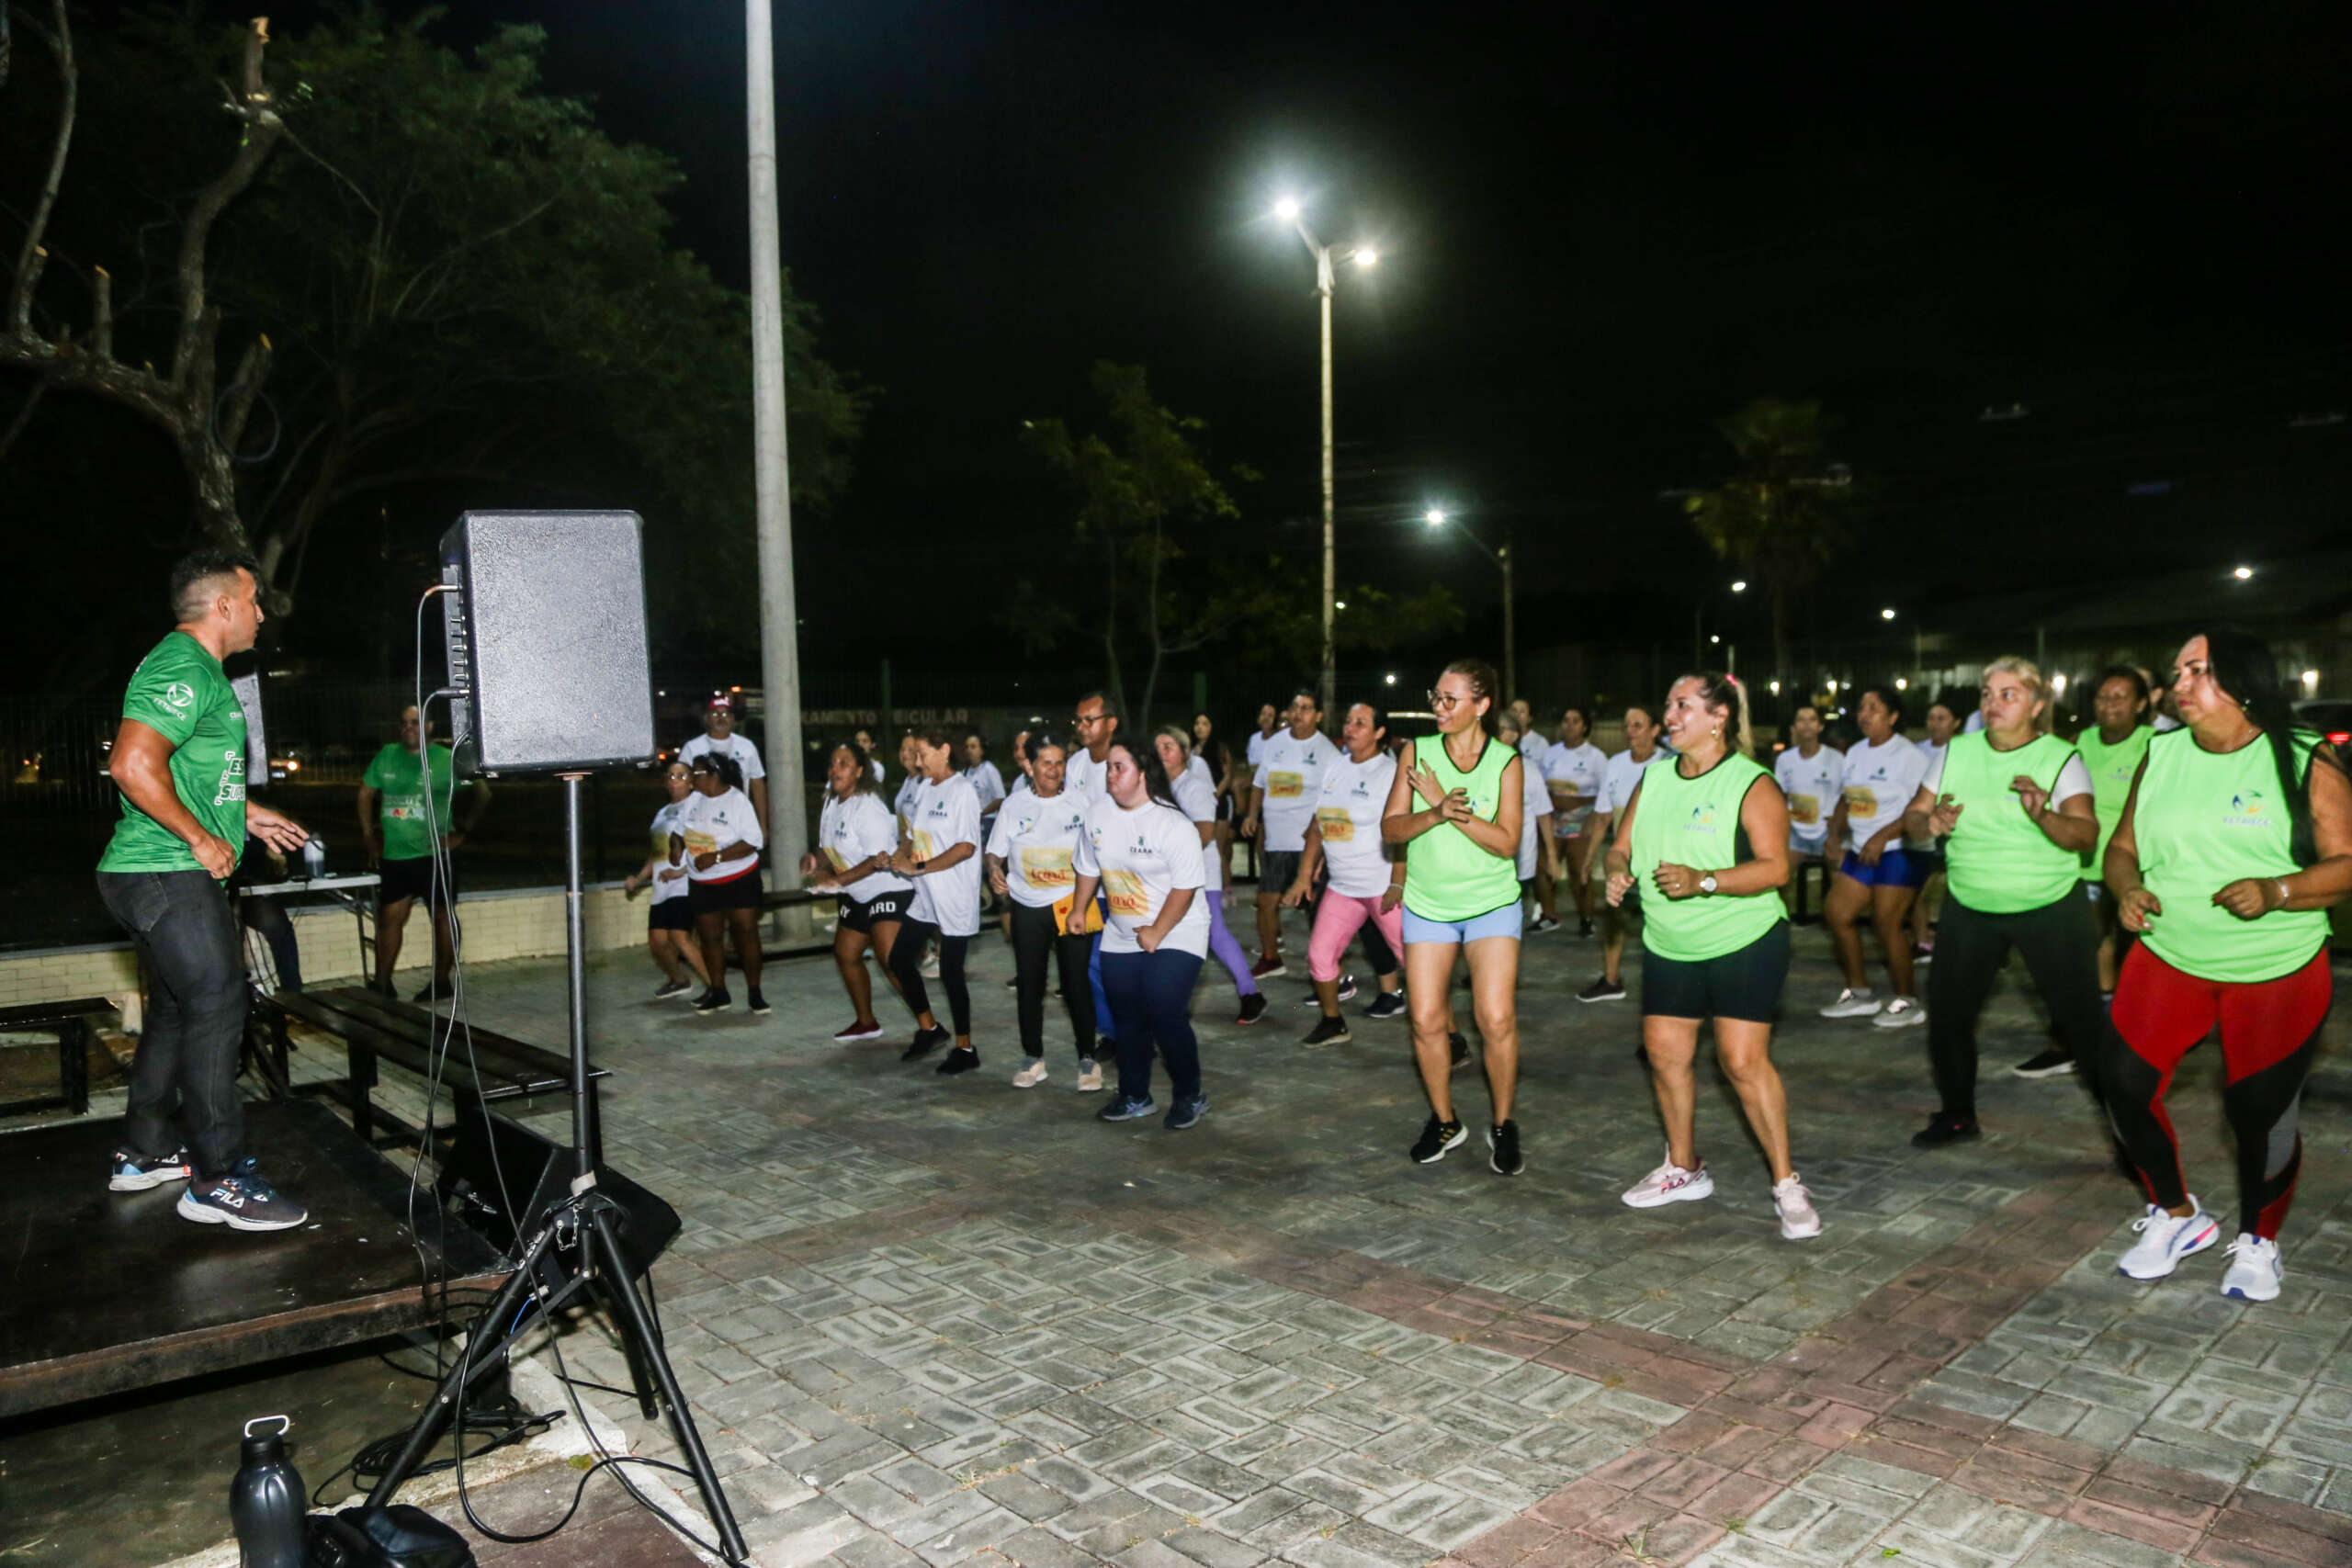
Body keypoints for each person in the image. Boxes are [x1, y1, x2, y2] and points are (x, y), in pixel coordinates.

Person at [2101, 631, 2352, 1302]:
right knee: (2123, 1085)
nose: (2178, 683)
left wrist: (2279, 891)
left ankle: (2259, 1240)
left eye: (2197, 671)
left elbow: (2347, 863)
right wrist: (2126, 888)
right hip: (2169, 952)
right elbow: (2121, 847)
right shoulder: (2161, 752)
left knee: (2257, 1111)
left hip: (2275, 964)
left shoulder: (2305, 758)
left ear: (2240, 681)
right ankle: (2178, 1215)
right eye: (2176, 669)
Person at [99, 547, 311, 1229]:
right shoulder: (183, 665)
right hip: (165, 866)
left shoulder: (196, 671)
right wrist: (199, 836)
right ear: (223, 605)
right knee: (220, 1000)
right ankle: (217, 1178)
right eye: (253, 600)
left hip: (150, 868)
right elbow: (132, 764)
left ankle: (143, 1151)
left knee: (174, 1011)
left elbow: (180, 769)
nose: (260, 612)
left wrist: (244, 814)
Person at [1605, 671, 1820, 1240]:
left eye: (1683, 706)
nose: (1669, 716)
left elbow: (1777, 868)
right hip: (1669, 942)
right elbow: (1621, 844)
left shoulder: (1751, 784)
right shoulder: (1652, 778)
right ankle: (1684, 1167)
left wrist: (1704, 880)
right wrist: (1615, 872)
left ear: (1719, 716)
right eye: (1669, 705)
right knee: (1666, 1054)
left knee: (1742, 1062)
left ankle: (1786, 1182)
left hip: (1744, 940)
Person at [1899, 657, 2099, 1145]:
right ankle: (1958, 1114)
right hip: (1971, 906)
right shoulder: (1954, 752)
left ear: (2036, 704)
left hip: (2049, 905)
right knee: (1948, 1018)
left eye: (2008, 694)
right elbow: (1913, 820)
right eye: (1987, 694)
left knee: (2083, 1026)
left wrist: (2044, 816)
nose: (1993, 703)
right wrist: (1931, 824)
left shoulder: (2060, 757)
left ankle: (2128, 1129)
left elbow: (2086, 835)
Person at [1383, 659, 1527, 1175]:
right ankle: (1445, 1120)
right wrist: (1434, 812)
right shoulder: (1416, 751)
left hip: (1491, 904)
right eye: (1436, 697)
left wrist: (1448, 803)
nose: (1438, 708)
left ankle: (1504, 1124)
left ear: (1481, 705)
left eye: (1450, 699)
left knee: (1495, 1018)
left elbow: (1507, 843)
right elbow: (1392, 829)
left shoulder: (1507, 761)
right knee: (1424, 1020)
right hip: (1429, 905)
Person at [1070, 738, 1213, 1129]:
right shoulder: (1098, 814)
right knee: (1127, 1016)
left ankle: (1190, 1094)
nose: (1111, 775)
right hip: (1122, 931)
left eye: (1120, 767)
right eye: (1110, 768)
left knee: (1164, 1006)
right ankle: (1135, 1095)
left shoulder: (1172, 823)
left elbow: (1185, 888)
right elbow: (1087, 866)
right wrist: (1079, 909)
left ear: (1144, 773)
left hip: (1179, 929)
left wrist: (1157, 931)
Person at [987, 734, 1103, 1089]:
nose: (1054, 770)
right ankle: (1033, 1058)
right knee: (1029, 983)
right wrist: (993, 870)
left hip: (1071, 905)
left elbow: (1097, 855)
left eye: (1060, 762)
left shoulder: (1082, 803)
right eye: (1046, 762)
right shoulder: (1013, 805)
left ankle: (1088, 1060)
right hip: (1027, 907)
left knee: (1075, 984)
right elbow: (994, 852)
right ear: (1029, 766)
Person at [1290, 703, 1407, 1046]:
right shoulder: (1335, 768)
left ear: (1379, 732)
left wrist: (1399, 881)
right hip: (1342, 887)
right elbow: (1317, 826)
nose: (1351, 727)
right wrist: (1304, 874)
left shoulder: (1389, 774)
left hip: (1382, 888)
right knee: (1320, 956)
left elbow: (1402, 832)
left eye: (1361, 722)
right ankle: (1332, 1022)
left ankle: (1449, 1035)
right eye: (1348, 721)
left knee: (1417, 963)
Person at [360, 704, 491, 1002]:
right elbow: (365, 793)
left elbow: (484, 793)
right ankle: (382, 983)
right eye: (404, 723)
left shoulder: (446, 760)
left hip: (435, 856)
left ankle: (441, 982)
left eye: (415, 722)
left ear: (429, 727)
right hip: (396, 856)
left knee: (442, 917)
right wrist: (369, 835)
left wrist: (464, 831)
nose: (408, 728)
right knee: (390, 918)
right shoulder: (387, 755)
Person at [1819, 687, 1928, 1025]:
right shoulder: (1854, 752)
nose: (1864, 714)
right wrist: (1834, 835)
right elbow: (1845, 798)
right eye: (1862, 708)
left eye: (1874, 708)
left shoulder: (1909, 756)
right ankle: (1860, 993)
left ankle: (1909, 1001)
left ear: (1893, 716)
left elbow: (1919, 809)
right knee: (1837, 914)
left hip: (1900, 850)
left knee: (1886, 923)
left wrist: (1883, 836)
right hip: (1861, 848)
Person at [1159, 726, 1269, 1025]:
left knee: (1213, 933)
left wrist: (1162, 853)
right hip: (1170, 875)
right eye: (1158, 747)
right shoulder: (1157, 788)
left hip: (1200, 873)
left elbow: (1205, 833)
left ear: (1184, 753)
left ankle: (1250, 994)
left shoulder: (1193, 787)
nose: (1162, 753)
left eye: (1169, 746)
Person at [889, 728, 985, 1073]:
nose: (917, 761)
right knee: (898, 958)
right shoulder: (925, 789)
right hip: (926, 894)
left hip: (954, 895)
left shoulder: (963, 791)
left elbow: (965, 847)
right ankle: (930, 1028)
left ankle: (965, 1047)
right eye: (915, 755)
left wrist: (917, 866)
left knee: (951, 974)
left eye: (922, 753)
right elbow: (913, 837)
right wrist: (896, 857)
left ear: (944, 750)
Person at [803, 741, 912, 1043]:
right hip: (856, 891)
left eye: (844, 763)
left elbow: (876, 859)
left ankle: (929, 1024)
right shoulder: (831, 802)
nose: (835, 769)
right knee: (845, 953)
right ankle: (866, 1023)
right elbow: (829, 849)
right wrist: (816, 862)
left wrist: (838, 881)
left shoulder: (868, 805)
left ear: (860, 771)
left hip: (887, 888)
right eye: (833, 763)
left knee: (890, 960)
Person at [1240, 689, 1344, 977]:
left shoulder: (1327, 752)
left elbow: (1335, 800)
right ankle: (1271, 957)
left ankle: (1330, 971)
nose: (1299, 713)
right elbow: (1260, 782)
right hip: (1276, 842)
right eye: (1295, 707)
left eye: (1307, 708)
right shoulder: (1275, 743)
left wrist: (1324, 845)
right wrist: (1252, 815)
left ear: (1319, 715)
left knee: (1318, 913)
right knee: (1266, 901)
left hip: (1308, 846)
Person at [1577, 704, 1667, 1004]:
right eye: (1627, 725)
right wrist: (1590, 856)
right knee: (1614, 915)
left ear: (1656, 729)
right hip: (1624, 860)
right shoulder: (1616, 764)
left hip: (1660, 861)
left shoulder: (1669, 764)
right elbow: (1603, 816)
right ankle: (1612, 979)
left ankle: (1668, 992)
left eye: (1638, 725)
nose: (1630, 731)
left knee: (1661, 926)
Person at [2075, 666, 2155, 1000]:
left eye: (2120, 697)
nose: (2109, 704)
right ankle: (2105, 1007)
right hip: (2087, 861)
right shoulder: (2083, 740)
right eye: (2103, 697)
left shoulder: (2154, 743)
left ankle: (2137, 1009)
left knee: (2136, 943)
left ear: (2140, 704)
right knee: (2094, 939)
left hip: (2134, 864)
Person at [673, 752, 768, 1016]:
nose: (691, 778)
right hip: (703, 882)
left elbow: (753, 840)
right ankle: (719, 991)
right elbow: (678, 833)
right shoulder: (693, 801)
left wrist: (716, 857)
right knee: (710, 938)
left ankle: (755, 993)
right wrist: (676, 849)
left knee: (746, 934)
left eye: (697, 773)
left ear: (714, 776)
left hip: (739, 878)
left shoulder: (737, 800)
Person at [622, 760, 712, 999]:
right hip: (662, 885)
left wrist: (682, 871)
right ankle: (679, 980)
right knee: (657, 941)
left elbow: (707, 846)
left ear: (692, 782)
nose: (675, 780)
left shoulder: (697, 805)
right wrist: (639, 878)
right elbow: (657, 854)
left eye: (681, 775)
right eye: (670, 776)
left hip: (685, 883)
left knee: (679, 936)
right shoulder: (661, 813)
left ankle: (715, 987)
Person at [1537, 706, 1608, 936]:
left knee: (1580, 873)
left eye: (1575, 721)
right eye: (1565, 720)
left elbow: (1604, 793)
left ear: (1585, 726)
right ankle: (1549, 917)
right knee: (1544, 869)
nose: (1569, 725)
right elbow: (1540, 788)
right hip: (1553, 821)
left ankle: (1586, 919)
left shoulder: (1596, 757)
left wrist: (1587, 813)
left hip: (1582, 822)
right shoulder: (1551, 753)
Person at [1774, 705, 1842, 919]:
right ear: (1794, 727)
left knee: (1840, 885)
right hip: (1796, 832)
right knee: (1777, 879)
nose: (1806, 724)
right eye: (1800, 720)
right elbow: (1780, 796)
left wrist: (1835, 831)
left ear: (1820, 726)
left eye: (1812, 719)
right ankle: (1779, 922)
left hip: (1827, 832)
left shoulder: (1836, 759)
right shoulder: (1785, 759)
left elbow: (1845, 796)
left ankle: (1833, 923)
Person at [1909, 698, 1962, 961]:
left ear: (1956, 723)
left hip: (1955, 825)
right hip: (1926, 828)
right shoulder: (1917, 752)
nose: (1935, 723)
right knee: (1922, 888)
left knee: (1958, 889)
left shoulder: (1964, 751)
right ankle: (1922, 942)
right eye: (1931, 717)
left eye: (1942, 717)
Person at [1497, 715, 1559, 927]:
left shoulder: (1528, 769)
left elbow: (1543, 813)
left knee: (1509, 910)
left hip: (1519, 853)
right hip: (1487, 853)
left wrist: (1551, 855)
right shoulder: (1483, 765)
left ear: (1514, 735)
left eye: (1501, 729)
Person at [679, 694, 768, 838]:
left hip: (738, 816)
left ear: (733, 719)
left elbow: (758, 785)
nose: (721, 718)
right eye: (715, 714)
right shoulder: (692, 748)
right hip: (702, 818)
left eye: (726, 714)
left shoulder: (747, 746)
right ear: (706, 718)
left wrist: (763, 825)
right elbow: (681, 785)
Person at [1193, 711, 1238, 892]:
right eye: (1197, 723)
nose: (1200, 727)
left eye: (1205, 723)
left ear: (1212, 727)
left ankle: (1225, 888)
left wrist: (1214, 796)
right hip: (1199, 805)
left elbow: (1228, 775)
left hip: (1219, 803)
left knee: (1218, 848)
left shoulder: (1220, 749)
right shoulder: (1191, 750)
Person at [1240, 701, 1280, 883]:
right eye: (1263, 713)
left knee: (1272, 840)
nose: (1266, 717)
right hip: (1259, 793)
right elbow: (1254, 768)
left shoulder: (1280, 740)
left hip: (1275, 795)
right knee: (1260, 842)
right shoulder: (1254, 739)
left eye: (1270, 715)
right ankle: (1266, 879)